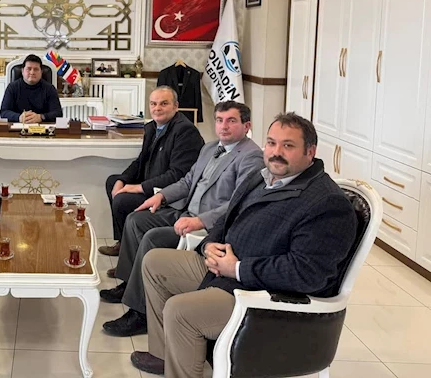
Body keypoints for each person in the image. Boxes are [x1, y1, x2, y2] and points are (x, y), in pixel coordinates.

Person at [130, 113, 358, 376]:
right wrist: (209, 245)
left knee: (180, 311)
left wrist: (237, 269)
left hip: (261, 296)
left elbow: (306, 273)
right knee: (155, 262)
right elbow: (226, 218)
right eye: (271, 143)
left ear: (310, 151)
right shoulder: (262, 177)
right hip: (226, 272)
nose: (276, 152)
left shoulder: (326, 203)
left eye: (288, 145)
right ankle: (166, 355)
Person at [101, 101, 263, 337]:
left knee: (152, 238)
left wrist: (201, 221)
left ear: (246, 126)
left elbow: (238, 202)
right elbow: (187, 182)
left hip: (207, 226)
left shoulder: (251, 157)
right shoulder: (210, 148)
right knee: (136, 220)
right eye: (219, 120)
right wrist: (161, 196)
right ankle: (129, 285)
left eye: (231, 121)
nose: (224, 126)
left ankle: (141, 314)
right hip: (184, 211)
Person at [99, 86, 204, 256]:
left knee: (122, 200)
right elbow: (141, 161)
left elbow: (178, 175)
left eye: (164, 103)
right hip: (152, 183)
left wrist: (139, 188)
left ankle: (129, 250)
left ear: (176, 106)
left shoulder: (185, 131)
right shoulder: (152, 127)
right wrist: (123, 180)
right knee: (113, 181)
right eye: (153, 104)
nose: (157, 108)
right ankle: (122, 242)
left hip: (168, 194)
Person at [0, 54, 63, 123]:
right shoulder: (12, 87)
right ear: (22, 71)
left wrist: (41, 117)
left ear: (41, 72)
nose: (32, 72)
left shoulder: (50, 89)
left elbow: (58, 113)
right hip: (19, 126)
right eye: (29, 69)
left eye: (36, 69)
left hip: (42, 127)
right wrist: (19, 117)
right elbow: (4, 112)